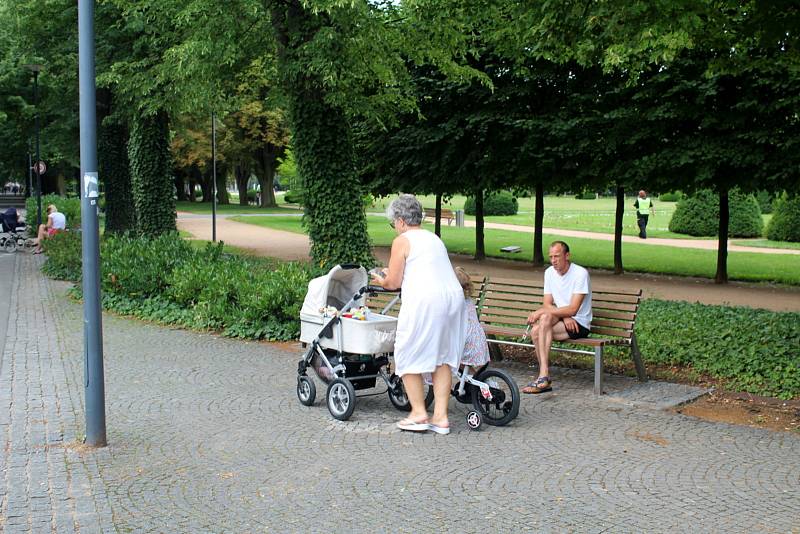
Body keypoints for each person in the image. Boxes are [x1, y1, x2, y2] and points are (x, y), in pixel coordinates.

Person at [370, 194, 465, 434]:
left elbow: (392, 282)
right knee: (441, 356)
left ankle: (419, 413)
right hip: (453, 299)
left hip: (427, 300)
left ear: (401, 221)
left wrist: (380, 278)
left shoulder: (403, 240)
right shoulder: (433, 238)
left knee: (406, 351)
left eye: (393, 224)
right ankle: (441, 417)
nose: (395, 229)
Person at [522, 241, 592, 394]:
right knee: (539, 326)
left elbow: (573, 309)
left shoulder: (580, 274)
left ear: (567, 256)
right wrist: (565, 317)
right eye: (551, 257)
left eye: (557, 256)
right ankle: (544, 376)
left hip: (579, 323)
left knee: (538, 328)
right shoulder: (549, 273)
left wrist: (562, 315)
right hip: (564, 319)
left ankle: (543, 377)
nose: (553, 260)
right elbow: (547, 304)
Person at [454, 267, 490, 372]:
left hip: (466, 340)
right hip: (478, 339)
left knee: (446, 358)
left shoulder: (456, 302)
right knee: (464, 367)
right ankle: (476, 381)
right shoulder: (469, 300)